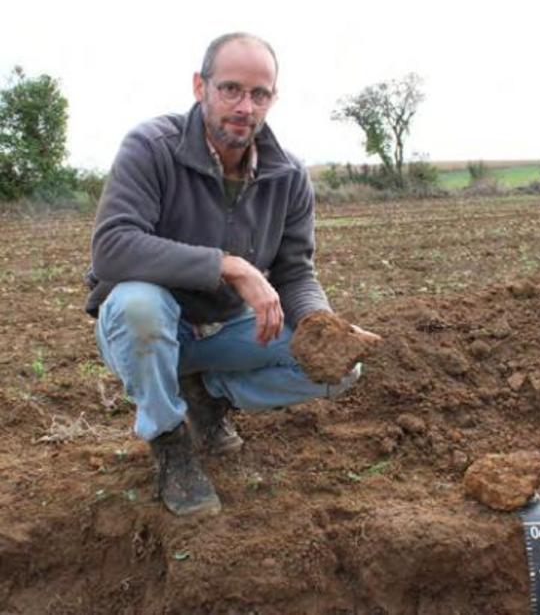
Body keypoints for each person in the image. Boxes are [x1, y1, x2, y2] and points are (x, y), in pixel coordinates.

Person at [85, 32, 373, 516]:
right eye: (231, 89)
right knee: (140, 304)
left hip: (222, 329)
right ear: (201, 86)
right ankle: (169, 441)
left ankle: (207, 394)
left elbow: (295, 271)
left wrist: (324, 327)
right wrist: (228, 265)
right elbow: (112, 248)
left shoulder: (288, 176)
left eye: (260, 94)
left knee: (338, 367)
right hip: (146, 330)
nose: (245, 106)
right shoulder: (152, 147)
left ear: (273, 98)